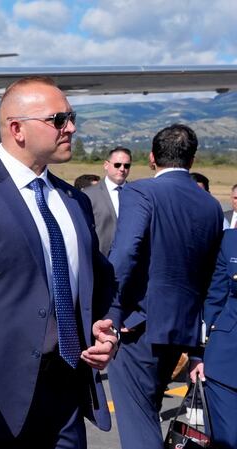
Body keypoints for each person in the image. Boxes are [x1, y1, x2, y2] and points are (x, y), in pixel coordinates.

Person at [0, 76, 118, 449]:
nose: (71, 128)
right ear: (17, 129)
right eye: (58, 119)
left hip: (65, 394)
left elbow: (103, 281)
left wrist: (107, 330)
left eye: (71, 117)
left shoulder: (74, 201)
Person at [105, 124, 223, 449]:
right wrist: (199, 347)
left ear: (152, 157)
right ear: (192, 159)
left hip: (138, 326)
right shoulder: (211, 206)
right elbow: (211, 277)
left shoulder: (140, 192)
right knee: (150, 411)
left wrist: (112, 313)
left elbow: (126, 252)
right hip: (182, 330)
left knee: (138, 423)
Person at [190, 230, 237, 449]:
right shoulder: (230, 240)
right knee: (226, 440)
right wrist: (198, 353)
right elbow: (214, 298)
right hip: (226, 361)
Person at [82, 146, 132, 254]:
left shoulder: (138, 194)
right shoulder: (88, 195)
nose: (122, 169)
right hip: (99, 261)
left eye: (126, 165)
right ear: (106, 165)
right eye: (117, 165)